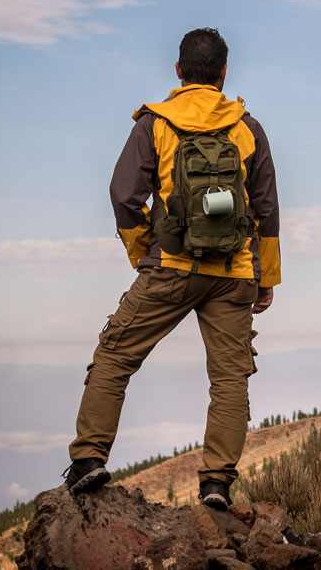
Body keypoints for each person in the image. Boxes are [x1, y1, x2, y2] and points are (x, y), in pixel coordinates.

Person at [63, 27, 281, 510]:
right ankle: (216, 484)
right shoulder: (247, 128)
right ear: (224, 73)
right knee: (229, 380)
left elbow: (124, 196)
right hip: (233, 273)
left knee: (115, 355)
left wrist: (146, 249)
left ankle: (88, 460)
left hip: (171, 267)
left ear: (179, 71)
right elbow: (266, 209)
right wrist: (265, 278)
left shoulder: (154, 123)